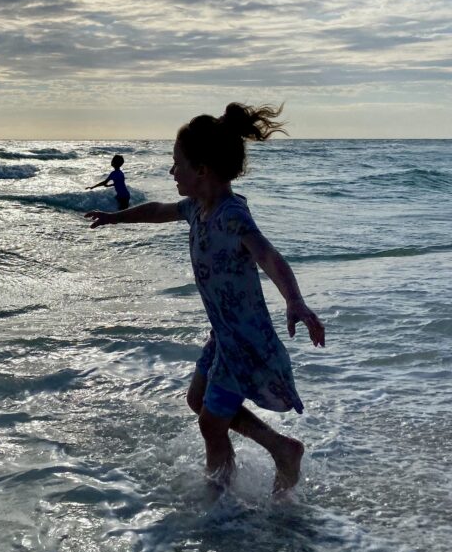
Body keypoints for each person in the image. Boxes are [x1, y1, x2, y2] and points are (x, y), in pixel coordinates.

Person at [85, 103, 325, 494]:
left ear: (202, 169)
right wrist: (115, 218)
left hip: (243, 338)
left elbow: (268, 255)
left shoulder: (232, 214)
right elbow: (159, 210)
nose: (171, 170)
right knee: (198, 401)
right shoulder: (197, 207)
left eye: (176, 162)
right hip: (224, 335)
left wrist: (295, 301)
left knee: (210, 423)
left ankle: (220, 503)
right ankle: (281, 447)